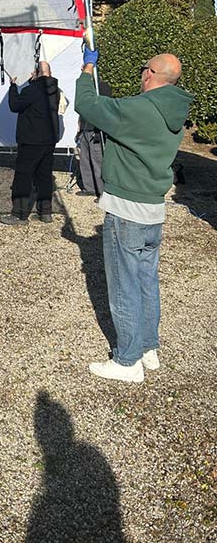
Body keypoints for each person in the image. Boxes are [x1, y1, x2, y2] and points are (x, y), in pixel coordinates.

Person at [75, 48, 194, 383]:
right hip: (153, 210)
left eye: (144, 69)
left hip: (127, 210)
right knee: (145, 282)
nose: (141, 74)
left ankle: (127, 361)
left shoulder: (139, 109)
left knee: (124, 285)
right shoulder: (175, 110)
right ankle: (147, 348)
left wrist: (87, 69)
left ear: (150, 74)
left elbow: (87, 104)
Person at [0, 60, 60, 226]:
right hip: (48, 140)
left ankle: (19, 214)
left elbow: (15, 105)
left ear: (36, 73)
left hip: (31, 140)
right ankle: (45, 212)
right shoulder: (55, 90)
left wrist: (13, 87)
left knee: (23, 176)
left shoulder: (32, 90)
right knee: (44, 176)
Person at [76, 74, 112, 198]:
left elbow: (104, 107)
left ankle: (103, 192)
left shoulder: (102, 87)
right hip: (85, 128)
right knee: (85, 159)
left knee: (97, 160)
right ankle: (89, 187)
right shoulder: (85, 89)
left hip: (96, 129)